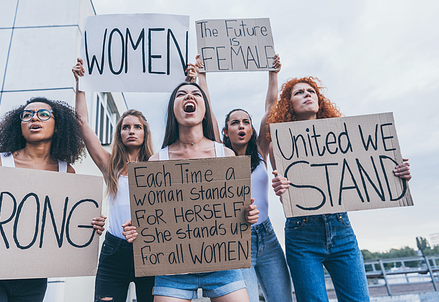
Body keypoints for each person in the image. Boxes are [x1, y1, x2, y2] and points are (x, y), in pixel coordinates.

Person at [0, 96, 106, 302]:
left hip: (33, 279)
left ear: (57, 126)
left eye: (43, 114)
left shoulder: (66, 172)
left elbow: (63, 222)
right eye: (27, 115)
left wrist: (88, 223)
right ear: (19, 126)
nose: (34, 118)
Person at [267, 76, 412, 302]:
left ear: (319, 100)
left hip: (341, 229)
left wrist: (396, 173)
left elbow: (369, 168)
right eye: (299, 92)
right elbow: (289, 194)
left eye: (311, 91)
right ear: (288, 104)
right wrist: (281, 187)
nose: (307, 94)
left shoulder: (344, 136)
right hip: (302, 233)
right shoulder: (279, 144)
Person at [123, 80, 260, 302]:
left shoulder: (225, 155)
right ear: (173, 110)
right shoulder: (158, 160)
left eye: (196, 93)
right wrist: (135, 229)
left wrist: (248, 214)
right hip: (172, 270)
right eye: (181, 94)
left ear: (205, 111)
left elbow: (236, 211)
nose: (189, 97)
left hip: (223, 265)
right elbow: (152, 218)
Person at [189, 55, 292, 302]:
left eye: (246, 122)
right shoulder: (219, 153)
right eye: (235, 123)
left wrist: (272, 73)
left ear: (252, 129)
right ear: (225, 131)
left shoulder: (260, 152)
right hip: (236, 239)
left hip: (267, 238)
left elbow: (271, 108)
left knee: (282, 298)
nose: (241, 126)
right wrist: (202, 76)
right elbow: (208, 111)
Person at [72, 58, 155, 302]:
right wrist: (81, 84)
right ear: (119, 133)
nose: (131, 130)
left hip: (150, 250)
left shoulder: (157, 167)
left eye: (137, 127)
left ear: (145, 133)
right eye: (126, 126)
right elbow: (82, 123)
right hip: (114, 251)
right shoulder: (111, 165)